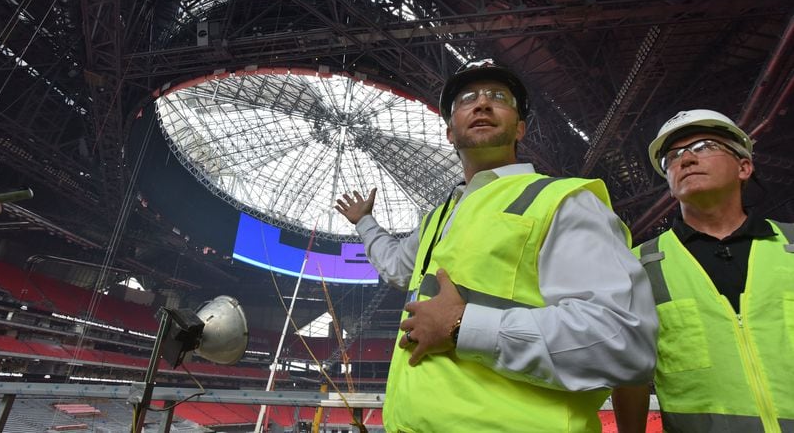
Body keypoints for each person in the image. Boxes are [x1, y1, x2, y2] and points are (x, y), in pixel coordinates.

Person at [335, 58, 657, 432]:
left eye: (499, 97)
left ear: (519, 129)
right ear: (450, 133)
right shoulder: (439, 218)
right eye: (467, 98)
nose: (483, 103)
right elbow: (394, 265)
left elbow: (624, 339)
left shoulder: (561, 201)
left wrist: (463, 325)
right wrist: (364, 222)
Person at [612, 109, 794, 432]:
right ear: (669, 184)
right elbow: (630, 376)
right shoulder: (637, 265)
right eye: (673, 157)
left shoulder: (791, 245)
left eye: (704, 146)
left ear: (744, 167)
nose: (686, 160)